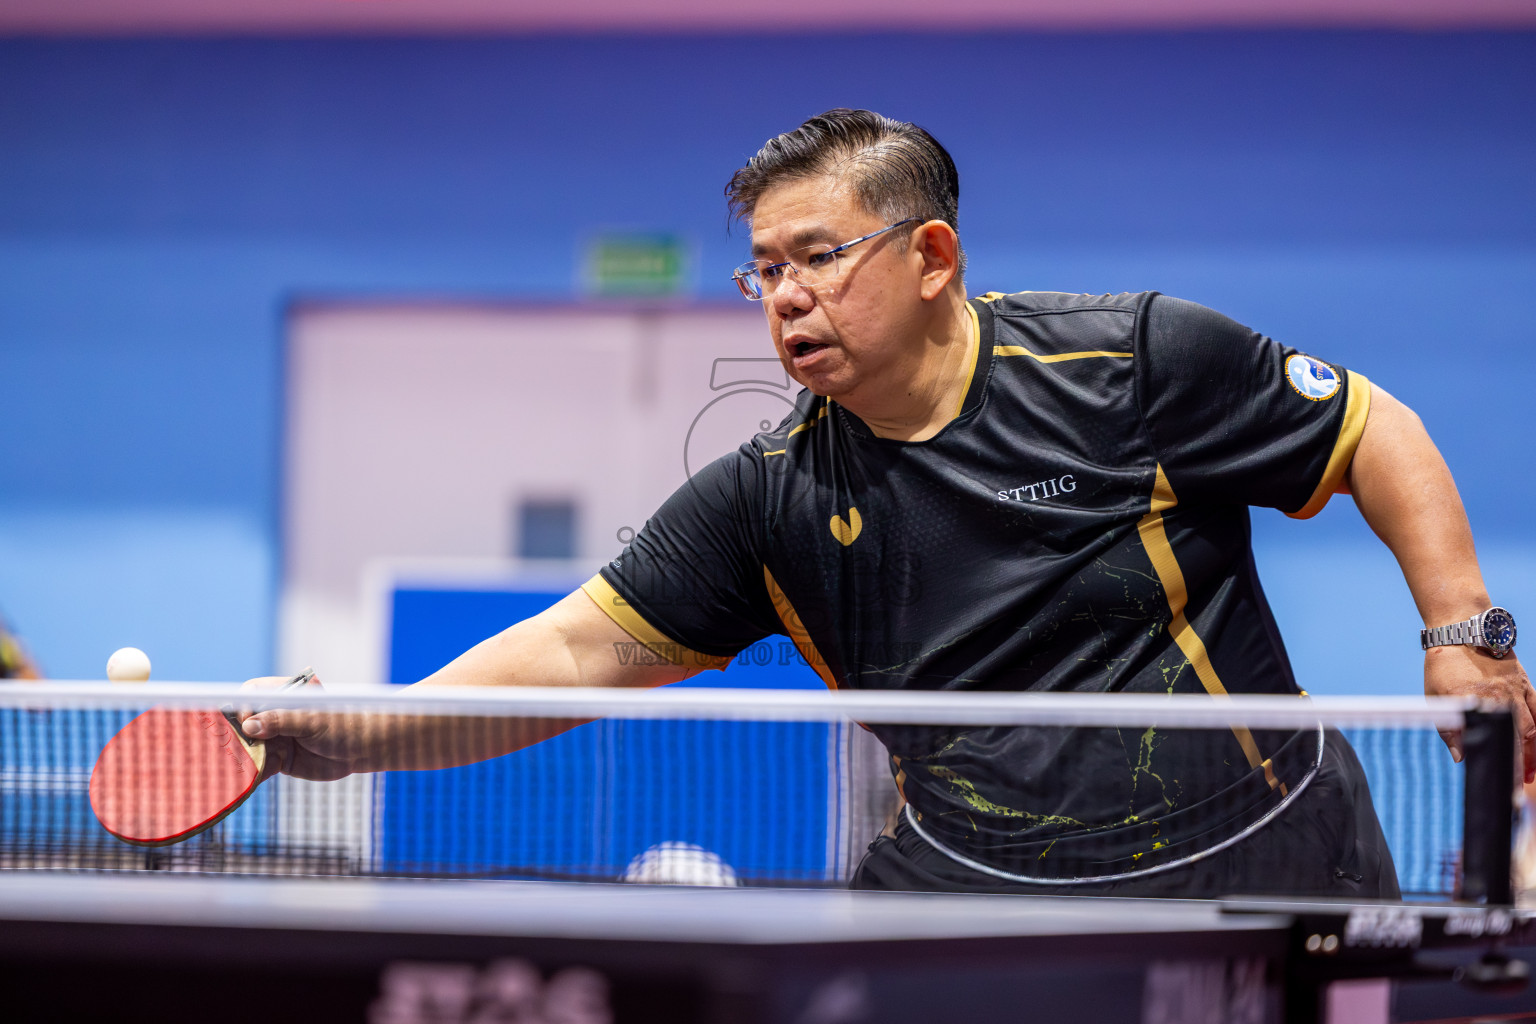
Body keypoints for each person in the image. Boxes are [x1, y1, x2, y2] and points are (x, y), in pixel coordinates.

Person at [244, 109, 1534, 898]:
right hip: (988, 888)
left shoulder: (1128, 360)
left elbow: (1376, 431)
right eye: (764, 272)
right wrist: (362, 729)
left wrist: (1463, 634)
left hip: (1259, 847)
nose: (787, 296)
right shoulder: (770, 502)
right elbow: (575, 650)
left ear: (931, 257)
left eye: (818, 255)